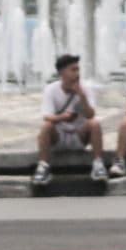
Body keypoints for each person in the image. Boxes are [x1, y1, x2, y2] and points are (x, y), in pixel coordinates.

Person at [35, 54, 109, 185]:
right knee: (46, 126)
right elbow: (47, 116)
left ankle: (98, 165)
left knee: (95, 123)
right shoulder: (51, 90)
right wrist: (62, 118)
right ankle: (43, 167)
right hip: (59, 136)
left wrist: (82, 96)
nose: (77, 74)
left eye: (78, 70)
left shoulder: (85, 88)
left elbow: (90, 115)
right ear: (62, 73)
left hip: (79, 136)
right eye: (73, 70)